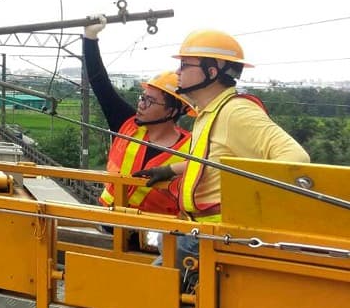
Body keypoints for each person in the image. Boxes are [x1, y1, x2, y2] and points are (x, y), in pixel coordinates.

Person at [134, 29, 310, 266]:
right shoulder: (210, 111)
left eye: (185, 64)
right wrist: (170, 170)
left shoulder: (236, 112)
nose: (178, 71)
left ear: (212, 71)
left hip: (217, 237)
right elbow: (216, 162)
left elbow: (295, 158)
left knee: (148, 288)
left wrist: (248, 205)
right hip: (202, 232)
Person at [84, 16, 192, 216]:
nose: (141, 105)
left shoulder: (192, 148)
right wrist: (90, 38)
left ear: (172, 111)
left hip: (155, 236)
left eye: (149, 101)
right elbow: (100, 84)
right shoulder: (127, 125)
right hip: (109, 221)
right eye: (142, 98)